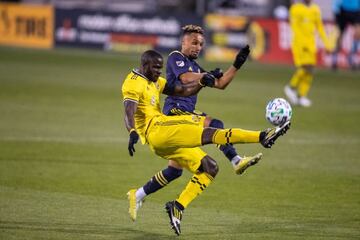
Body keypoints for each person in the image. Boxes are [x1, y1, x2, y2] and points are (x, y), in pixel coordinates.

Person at [122, 49, 291, 235]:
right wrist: (131, 131)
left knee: (210, 167)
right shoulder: (133, 83)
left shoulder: (155, 81)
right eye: (155, 68)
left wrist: (202, 81)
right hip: (159, 129)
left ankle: (176, 206)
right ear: (144, 66)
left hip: (162, 141)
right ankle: (262, 137)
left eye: (160, 69)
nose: (159, 72)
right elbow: (129, 110)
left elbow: (182, 91)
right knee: (211, 132)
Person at [163, 24, 261, 175]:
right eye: (194, 43)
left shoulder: (195, 66)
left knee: (174, 171)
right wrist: (206, 76)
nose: (198, 47)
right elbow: (185, 78)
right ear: (184, 42)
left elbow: (221, 84)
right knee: (215, 125)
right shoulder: (176, 56)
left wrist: (236, 65)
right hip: (174, 112)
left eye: (201, 44)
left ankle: (137, 195)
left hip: (186, 113)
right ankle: (236, 160)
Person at [284, 0, 333, 107]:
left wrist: (327, 44)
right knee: (305, 67)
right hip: (300, 44)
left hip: (311, 45)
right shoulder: (296, 9)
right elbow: (294, 25)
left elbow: (320, 28)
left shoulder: (315, 10)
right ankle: (291, 87)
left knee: (310, 71)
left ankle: (301, 96)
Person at [332, 0, 360, 70]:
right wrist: (335, 9)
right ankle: (334, 60)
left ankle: (351, 58)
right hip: (343, 10)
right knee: (340, 35)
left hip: (356, 10)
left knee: (358, 34)